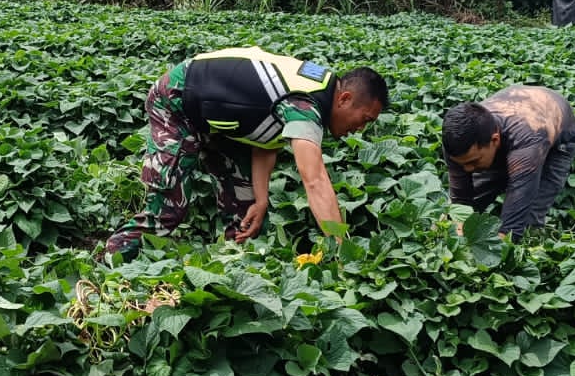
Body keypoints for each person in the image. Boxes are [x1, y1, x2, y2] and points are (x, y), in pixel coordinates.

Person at [106, 46, 388, 256]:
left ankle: (232, 270)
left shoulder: (318, 89)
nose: (360, 129)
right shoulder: (306, 104)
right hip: (178, 101)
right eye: (364, 120)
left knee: (247, 213)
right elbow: (315, 181)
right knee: (169, 209)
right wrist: (342, 249)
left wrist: (262, 199)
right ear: (345, 99)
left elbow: (265, 140)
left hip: (222, 120)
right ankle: (112, 260)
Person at [441, 86, 575, 237]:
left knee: (529, 219)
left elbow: (513, 219)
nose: (468, 169)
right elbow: (461, 200)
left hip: (557, 131)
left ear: (495, 140)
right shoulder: (457, 142)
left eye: (474, 161)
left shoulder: (526, 143)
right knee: (473, 200)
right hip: (516, 110)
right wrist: (456, 228)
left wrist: (501, 244)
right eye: (462, 163)